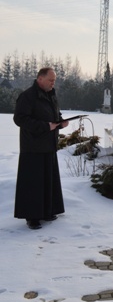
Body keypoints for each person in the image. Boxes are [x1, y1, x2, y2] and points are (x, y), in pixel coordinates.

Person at [14, 67, 69, 230]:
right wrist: (45, 126)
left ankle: (47, 211)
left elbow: (54, 115)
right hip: (32, 147)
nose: (53, 83)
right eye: (51, 80)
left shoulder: (51, 95)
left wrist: (61, 122)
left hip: (49, 145)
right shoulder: (27, 96)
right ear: (40, 79)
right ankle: (32, 217)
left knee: (48, 181)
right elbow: (20, 119)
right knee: (33, 184)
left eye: (54, 80)